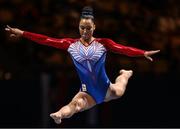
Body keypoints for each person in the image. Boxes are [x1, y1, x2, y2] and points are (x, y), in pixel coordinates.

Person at [5, 6, 160, 124]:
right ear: (78, 27)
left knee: (119, 90)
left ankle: (125, 74)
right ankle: (59, 114)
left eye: (88, 28)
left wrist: (142, 53)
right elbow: (46, 40)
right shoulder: (70, 44)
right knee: (75, 105)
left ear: (94, 28)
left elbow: (124, 49)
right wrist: (23, 33)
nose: (85, 31)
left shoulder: (103, 44)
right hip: (88, 92)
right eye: (82, 28)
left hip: (105, 89)